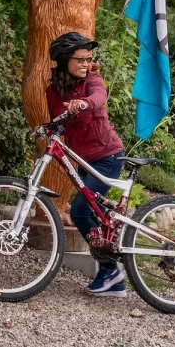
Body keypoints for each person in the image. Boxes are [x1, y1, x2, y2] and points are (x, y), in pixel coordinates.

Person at [45, 32, 127, 297]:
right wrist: (46, 128)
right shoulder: (53, 90)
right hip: (83, 160)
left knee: (80, 210)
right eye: (80, 58)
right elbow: (59, 119)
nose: (86, 63)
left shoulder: (93, 80)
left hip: (107, 157)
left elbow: (99, 97)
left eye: (89, 58)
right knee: (89, 213)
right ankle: (112, 275)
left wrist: (84, 103)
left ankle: (110, 270)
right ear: (63, 60)